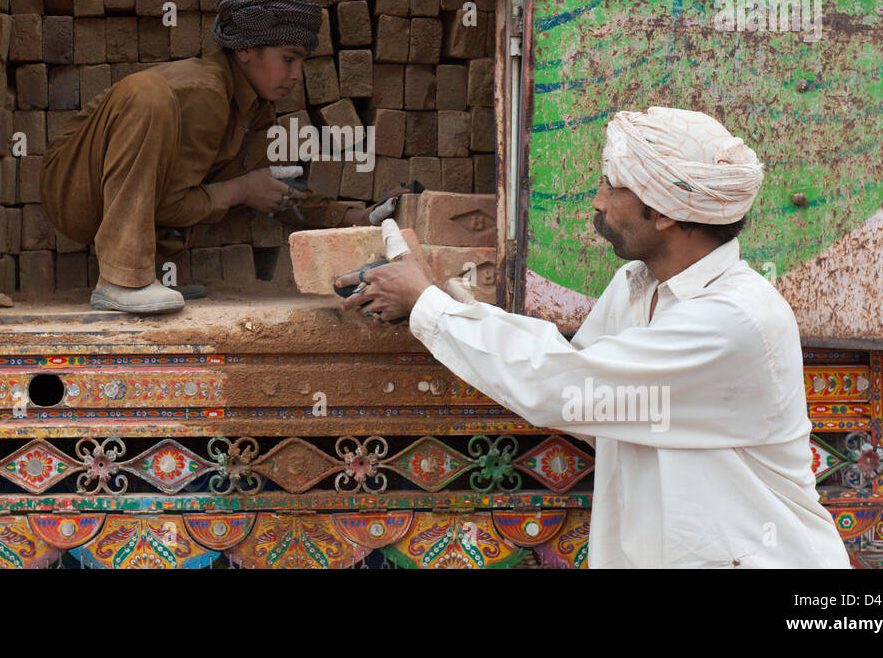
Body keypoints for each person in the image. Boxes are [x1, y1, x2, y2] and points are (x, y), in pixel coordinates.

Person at [338, 107, 852, 568]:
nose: (598, 201)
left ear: (664, 211)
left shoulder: (735, 320)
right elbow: (580, 381)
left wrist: (427, 304)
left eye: (612, 185)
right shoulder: (636, 284)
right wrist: (442, 299)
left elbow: (566, 388)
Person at [41, 0, 386, 314]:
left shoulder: (252, 110)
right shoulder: (206, 91)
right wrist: (241, 190)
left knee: (235, 171)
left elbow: (271, 184)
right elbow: (170, 203)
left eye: (301, 62)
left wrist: (353, 217)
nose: (296, 76)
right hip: (74, 188)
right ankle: (121, 278)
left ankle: (147, 275)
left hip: (110, 195)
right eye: (288, 58)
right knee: (145, 92)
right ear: (244, 51)